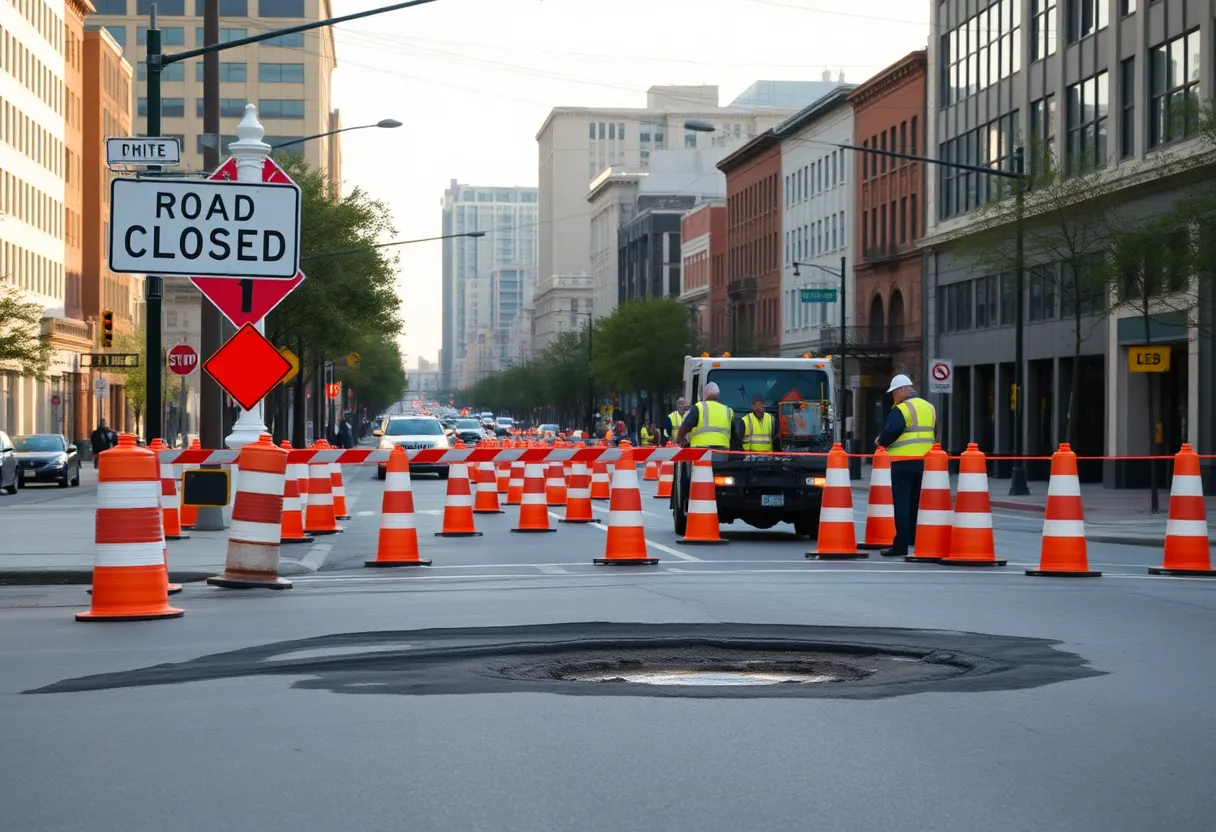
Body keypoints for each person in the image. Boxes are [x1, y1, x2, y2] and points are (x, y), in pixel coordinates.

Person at [874, 373, 937, 558]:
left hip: (903, 462)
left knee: (901, 504)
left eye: (894, 392)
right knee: (916, 503)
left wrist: (881, 441)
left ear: (902, 390)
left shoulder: (902, 408)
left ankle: (900, 545)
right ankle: (914, 540)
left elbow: (892, 430)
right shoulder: (929, 407)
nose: (893, 396)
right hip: (926, 462)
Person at [675, 382, 734, 449]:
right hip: (722, 451)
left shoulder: (699, 407)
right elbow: (735, 436)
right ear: (718, 395)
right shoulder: (728, 411)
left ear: (705, 395)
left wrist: (680, 438)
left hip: (700, 450)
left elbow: (685, 426)